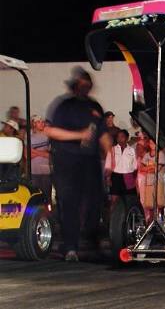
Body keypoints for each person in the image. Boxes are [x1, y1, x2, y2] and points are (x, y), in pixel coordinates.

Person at [45, 66, 112, 262]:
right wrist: (79, 135)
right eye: (82, 84)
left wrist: (111, 158)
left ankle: (93, 243)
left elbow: (103, 135)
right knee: (70, 204)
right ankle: (70, 247)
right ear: (75, 86)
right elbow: (51, 131)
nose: (86, 88)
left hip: (89, 161)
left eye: (88, 85)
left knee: (96, 201)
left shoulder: (95, 106)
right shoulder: (63, 106)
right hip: (66, 161)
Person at [104, 129, 137, 207]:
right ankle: (113, 218)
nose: (119, 139)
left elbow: (135, 166)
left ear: (127, 138)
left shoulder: (132, 150)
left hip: (128, 176)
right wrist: (108, 178)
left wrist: (134, 179)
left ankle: (127, 218)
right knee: (114, 201)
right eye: (118, 137)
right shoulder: (112, 149)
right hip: (116, 177)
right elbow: (108, 164)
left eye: (122, 137)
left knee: (129, 201)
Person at [29, 115, 52, 203]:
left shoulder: (48, 137)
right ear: (34, 124)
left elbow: (50, 155)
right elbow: (27, 155)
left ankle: (49, 215)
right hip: (34, 172)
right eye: (39, 122)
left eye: (42, 122)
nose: (42, 123)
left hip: (46, 172)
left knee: (47, 196)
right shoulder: (30, 137)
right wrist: (43, 153)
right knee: (36, 197)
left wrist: (34, 151)